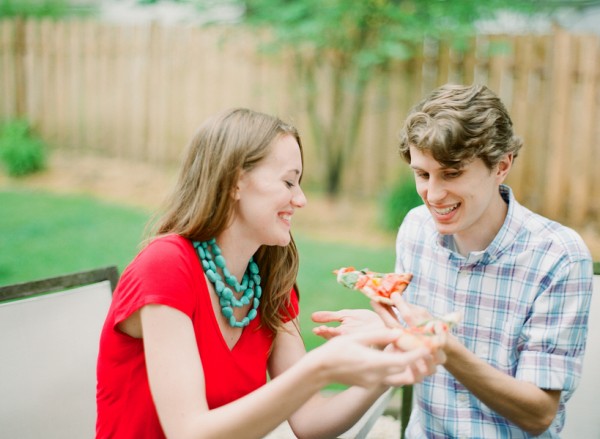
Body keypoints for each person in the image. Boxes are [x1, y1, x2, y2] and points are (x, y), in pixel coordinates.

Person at [95, 108, 441, 439]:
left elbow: (310, 422)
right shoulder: (166, 267)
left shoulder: (269, 281)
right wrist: (318, 368)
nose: (301, 199)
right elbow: (189, 432)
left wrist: (392, 363)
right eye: (289, 182)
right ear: (235, 183)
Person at [313, 84, 594, 438]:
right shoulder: (416, 229)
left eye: (452, 173)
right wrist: (388, 333)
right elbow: (413, 343)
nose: (433, 195)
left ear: (502, 166)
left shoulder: (559, 257)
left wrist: (445, 347)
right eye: (422, 174)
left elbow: (539, 414)